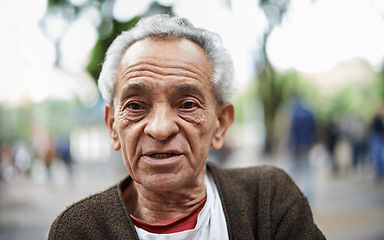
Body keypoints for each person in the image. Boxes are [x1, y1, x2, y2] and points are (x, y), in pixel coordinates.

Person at [49, 14, 325, 240]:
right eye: (135, 105)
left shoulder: (268, 200)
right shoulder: (78, 230)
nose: (160, 128)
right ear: (112, 126)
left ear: (221, 124)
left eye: (187, 104)